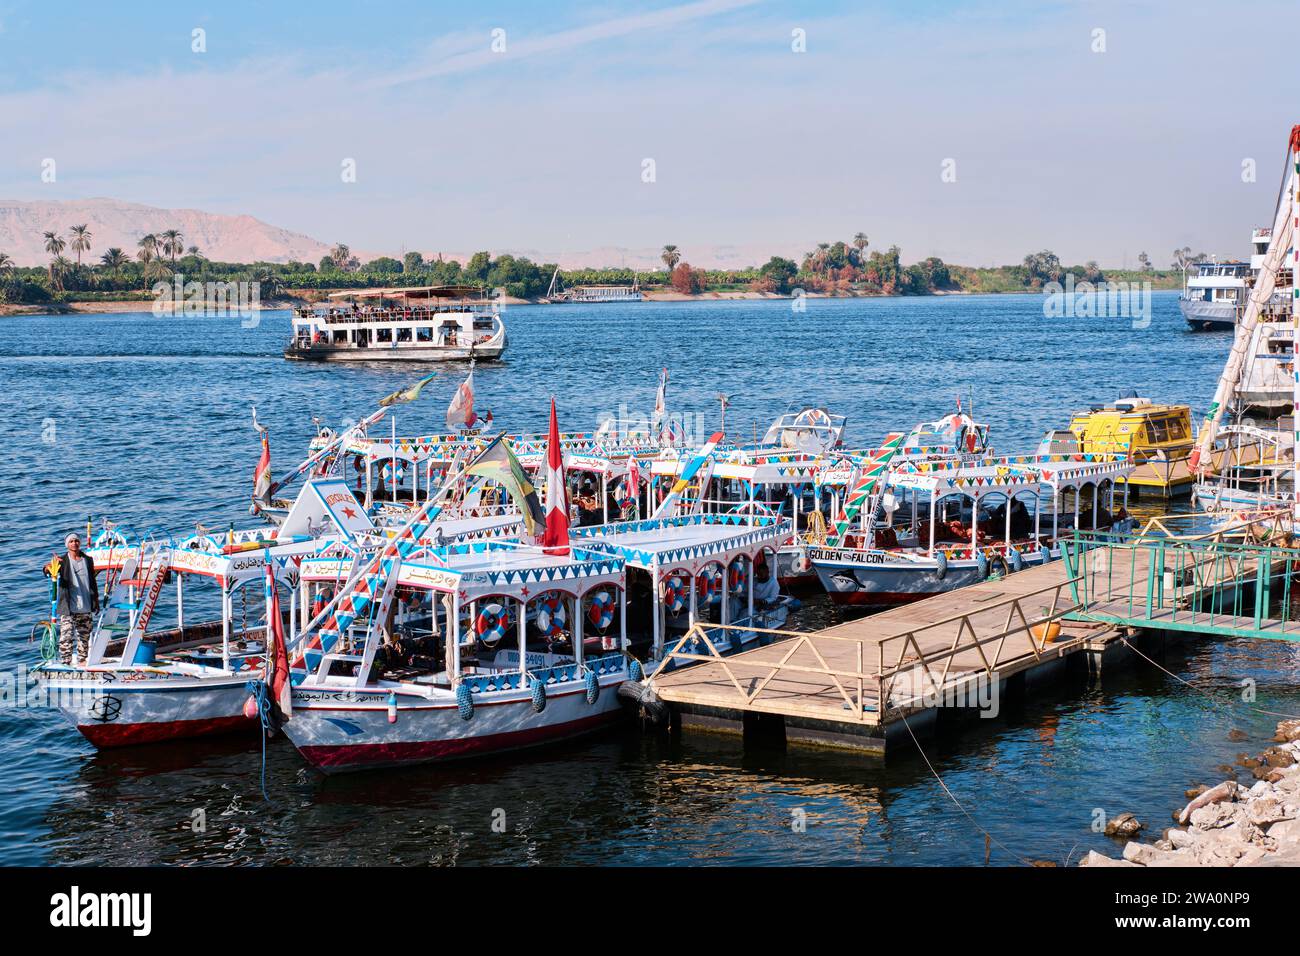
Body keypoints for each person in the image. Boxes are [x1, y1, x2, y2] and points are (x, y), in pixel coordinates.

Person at [45, 532, 100, 665]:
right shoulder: (61, 561)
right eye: (71, 541)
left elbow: (92, 582)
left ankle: (82, 661)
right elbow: (47, 570)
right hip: (68, 606)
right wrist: (49, 566)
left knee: (84, 636)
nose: (74, 543)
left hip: (85, 605)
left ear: (79, 543)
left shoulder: (88, 560)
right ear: (67, 545)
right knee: (66, 636)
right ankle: (66, 662)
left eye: (76, 541)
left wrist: (96, 601)